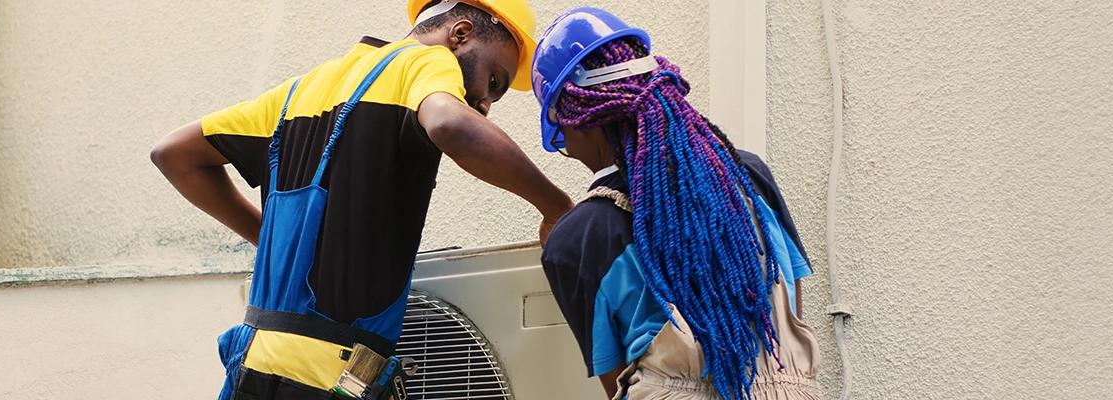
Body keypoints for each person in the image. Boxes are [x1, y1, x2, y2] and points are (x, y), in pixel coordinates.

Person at [149, 1, 572, 398]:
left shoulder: (301, 90)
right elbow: (448, 124)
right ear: (459, 34)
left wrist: (270, 242)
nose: (483, 104)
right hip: (333, 376)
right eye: (493, 81)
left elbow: (174, 155)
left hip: (253, 362)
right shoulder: (424, 61)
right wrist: (556, 208)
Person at [531, 8, 822, 400]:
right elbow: (789, 310)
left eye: (561, 135)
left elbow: (616, 381)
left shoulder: (575, 241)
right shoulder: (747, 176)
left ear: (582, 119)